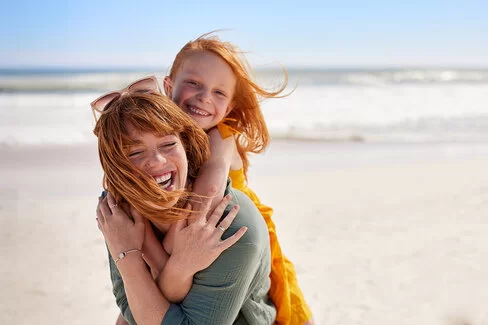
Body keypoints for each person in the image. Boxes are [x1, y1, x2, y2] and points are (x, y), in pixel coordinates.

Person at [91, 76, 276, 324]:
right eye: (135, 152)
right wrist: (176, 267)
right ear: (116, 167)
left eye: (168, 144)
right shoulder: (118, 214)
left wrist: (128, 257)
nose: (157, 161)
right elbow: (128, 308)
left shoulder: (233, 227)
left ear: (186, 146)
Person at [163, 33, 313, 325]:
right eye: (194, 83)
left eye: (219, 92)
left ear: (229, 108)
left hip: (235, 227)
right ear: (169, 86)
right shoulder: (166, 133)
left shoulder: (221, 136)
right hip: (197, 227)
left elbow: (209, 187)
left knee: (285, 299)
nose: (204, 96)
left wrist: (173, 244)